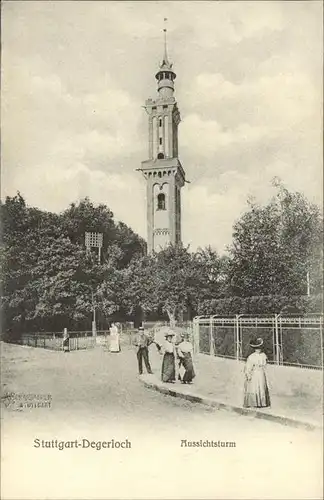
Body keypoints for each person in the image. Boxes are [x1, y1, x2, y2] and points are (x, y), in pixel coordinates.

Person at [243, 338, 271, 408]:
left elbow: (265, 364)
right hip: (255, 373)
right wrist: (248, 375)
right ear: (254, 349)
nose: (258, 349)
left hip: (261, 373)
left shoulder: (263, 355)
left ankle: (262, 403)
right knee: (254, 387)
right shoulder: (251, 357)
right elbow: (248, 367)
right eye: (257, 348)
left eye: (259, 348)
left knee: (262, 387)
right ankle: (254, 403)